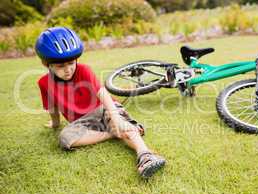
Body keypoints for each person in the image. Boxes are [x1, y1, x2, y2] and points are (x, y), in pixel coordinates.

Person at [35, 27, 165, 178]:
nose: (68, 69)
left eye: (71, 63)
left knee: (121, 124)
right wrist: (55, 124)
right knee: (65, 139)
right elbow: (52, 107)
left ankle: (145, 156)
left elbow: (102, 94)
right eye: (60, 66)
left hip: (103, 108)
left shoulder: (83, 70)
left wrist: (115, 118)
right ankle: (112, 133)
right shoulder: (44, 83)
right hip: (81, 122)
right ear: (47, 64)